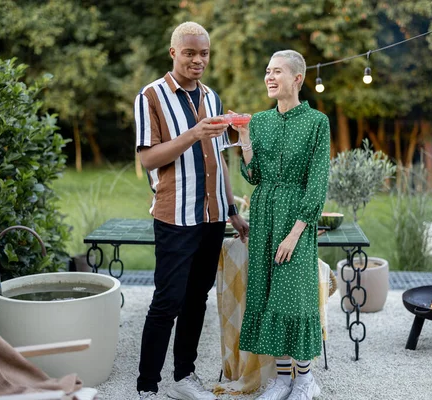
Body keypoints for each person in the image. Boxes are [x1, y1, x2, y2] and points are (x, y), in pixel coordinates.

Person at [133, 21, 249, 400]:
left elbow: (221, 160)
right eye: (190, 53)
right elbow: (149, 159)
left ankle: (184, 377)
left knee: (197, 298)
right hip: (175, 216)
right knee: (167, 300)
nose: (198, 60)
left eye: (204, 53)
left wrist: (231, 210)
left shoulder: (213, 98)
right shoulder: (150, 96)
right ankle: (147, 386)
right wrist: (192, 135)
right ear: (173, 53)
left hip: (212, 217)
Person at [235, 50, 331, 400]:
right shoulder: (260, 121)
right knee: (267, 292)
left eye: (277, 72)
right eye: (267, 71)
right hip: (263, 214)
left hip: (296, 219)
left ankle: (304, 380)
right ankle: (281, 379)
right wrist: (245, 136)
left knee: (294, 297)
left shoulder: (317, 122)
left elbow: (317, 182)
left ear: (297, 79)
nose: (269, 77)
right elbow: (254, 175)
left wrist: (295, 233)